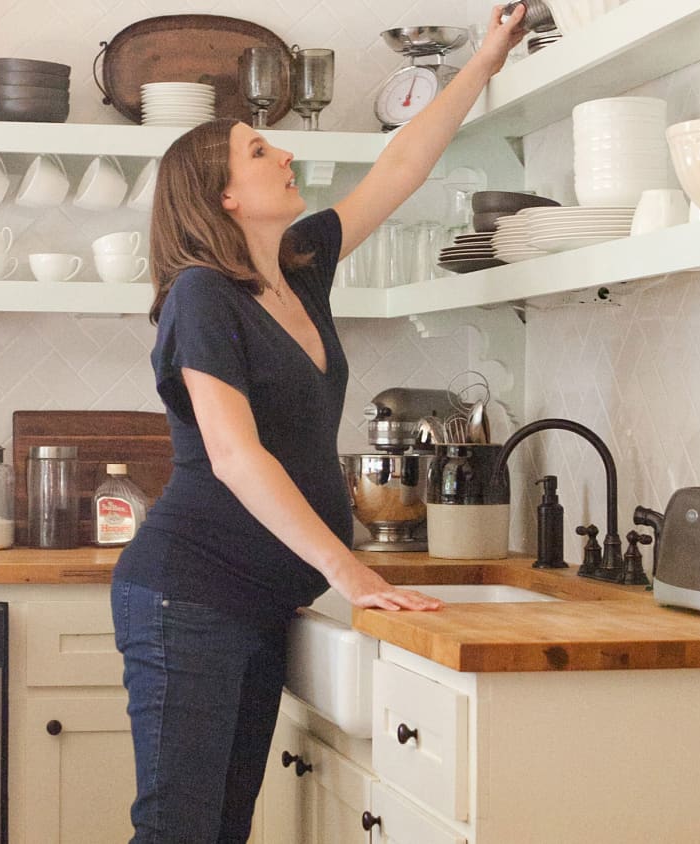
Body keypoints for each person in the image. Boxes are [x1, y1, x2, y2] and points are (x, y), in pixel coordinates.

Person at [110, 6, 527, 842]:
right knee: (179, 831)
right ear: (224, 194)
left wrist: (483, 62)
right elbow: (233, 456)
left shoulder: (301, 267)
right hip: (187, 596)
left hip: (260, 599)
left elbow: (400, 165)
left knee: (224, 827)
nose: (286, 151)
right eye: (259, 151)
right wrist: (352, 574)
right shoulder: (201, 294)